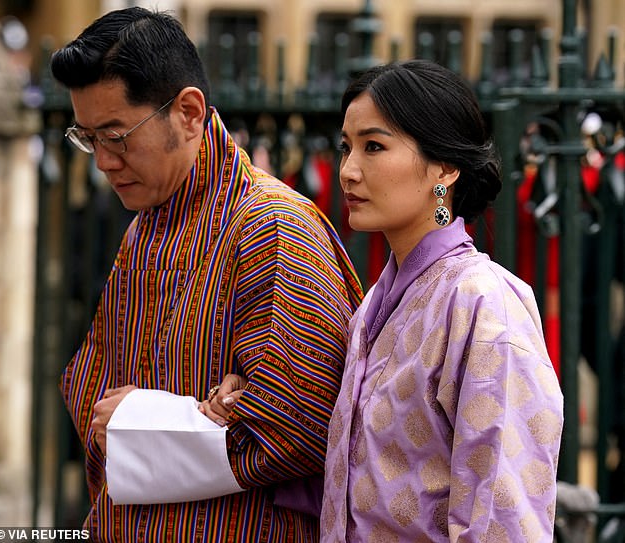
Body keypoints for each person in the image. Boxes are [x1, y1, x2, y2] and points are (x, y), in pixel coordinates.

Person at [207, 59, 565, 541]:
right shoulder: (373, 306)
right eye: (346, 147)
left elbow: (503, 517)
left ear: (445, 167)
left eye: (373, 146)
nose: (348, 171)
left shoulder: (483, 303)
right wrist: (247, 401)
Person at [51, 7, 363, 542]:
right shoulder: (145, 226)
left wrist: (146, 417)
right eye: (88, 138)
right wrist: (198, 413)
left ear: (189, 113)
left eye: (116, 136)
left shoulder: (272, 226)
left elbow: (301, 423)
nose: (102, 161)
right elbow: (92, 394)